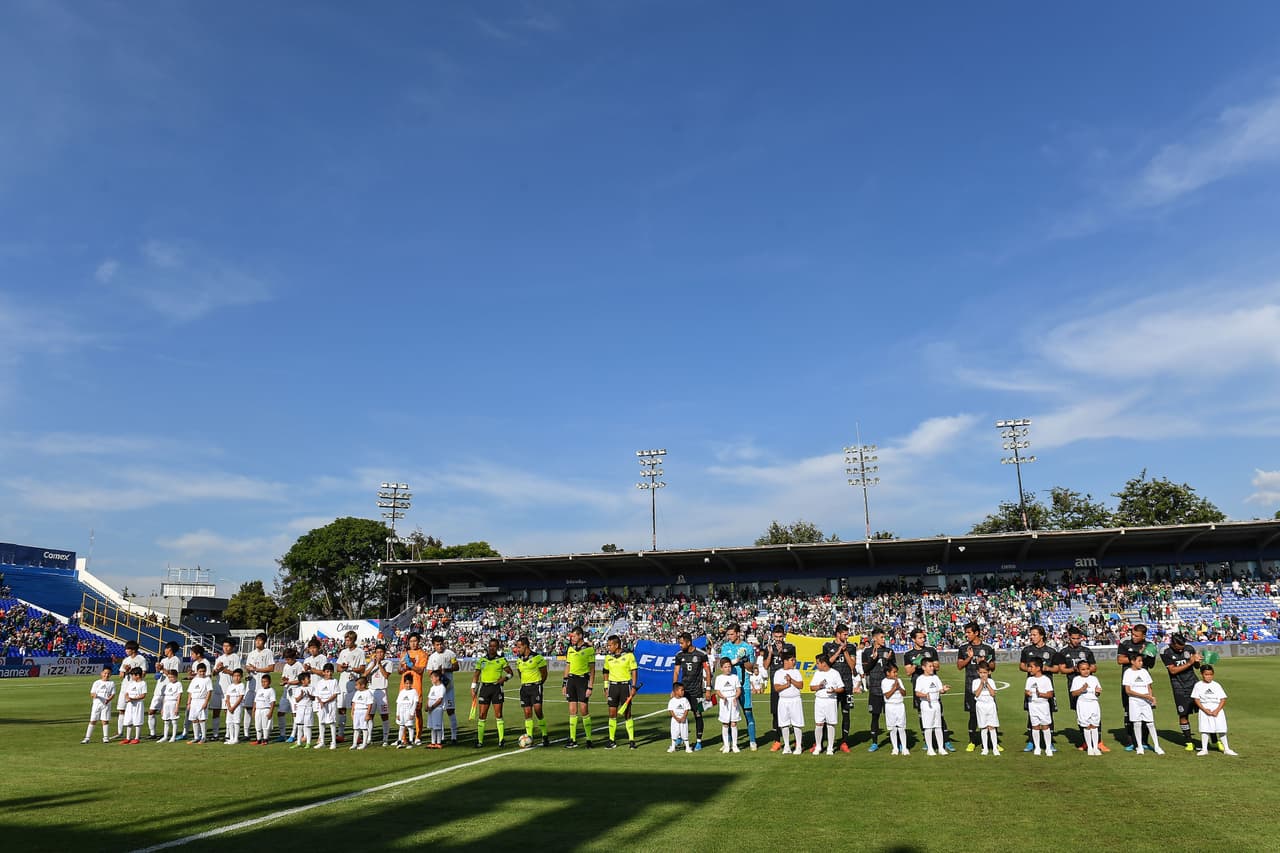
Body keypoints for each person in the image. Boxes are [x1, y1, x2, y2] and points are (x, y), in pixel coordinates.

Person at [903, 627, 952, 752]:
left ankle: (945, 741)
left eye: (923, 637)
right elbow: (908, 672)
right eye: (920, 637)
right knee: (921, 714)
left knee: (939, 713)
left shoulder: (931, 650)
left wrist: (927, 663)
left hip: (932, 685)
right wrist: (916, 663)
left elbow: (937, 666)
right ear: (913, 639)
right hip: (919, 685)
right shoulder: (908, 655)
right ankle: (927, 740)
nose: (923, 639)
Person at [1056, 626, 1102, 752]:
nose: (1076, 641)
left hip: (1090, 686)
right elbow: (1062, 669)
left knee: (1095, 713)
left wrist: (1085, 670)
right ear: (1068, 638)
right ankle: (1085, 741)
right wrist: (1074, 670)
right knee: (1080, 713)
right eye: (1073, 638)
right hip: (1073, 684)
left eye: (1078, 638)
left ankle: (1099, 742)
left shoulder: (1086, 651)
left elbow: (1094, 667)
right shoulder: (1063, 652)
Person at [1116, 623, 1156, 751]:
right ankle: (1130, 742)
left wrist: (1145, 655)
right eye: (1132, 634)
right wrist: (1137, 655)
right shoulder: (1125, 643)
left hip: (1143, 684)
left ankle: (1144, 741)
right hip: (1128, 683)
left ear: (1144, 635)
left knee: (1146, 714)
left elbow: (1151, 664)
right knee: (1128, 712)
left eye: (1136, 635)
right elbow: (1120, 660)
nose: (1133, 637)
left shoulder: (1150, 646)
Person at [1160, 633, 1203, 752]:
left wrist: (1197, 660)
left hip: (1194, 684)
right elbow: (1173, 670)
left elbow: (1197, 667)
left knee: (1205, 711)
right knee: (1183, 714)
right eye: (1179, 647)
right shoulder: (1165, 651)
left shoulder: (1189, 648)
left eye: (1182, 647)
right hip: (1178, 686)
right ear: (1173, 644)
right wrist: (1189, 662)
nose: (1181, 649)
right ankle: (1189, 741)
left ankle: (1213, 740)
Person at [718, 624, 759, 750]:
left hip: (744, 685)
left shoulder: (747, 647)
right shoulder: (725, 647)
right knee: (728, 717)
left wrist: (745, 660)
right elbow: (724, 663)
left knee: (748, 713)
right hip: (729, 688)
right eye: (728, 634)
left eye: (731, 634)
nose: (729, 636)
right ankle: (728, 743)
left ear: (737, 633)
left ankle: (752, 741)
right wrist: (737, 659)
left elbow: (752, 668)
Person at [957, 621, 996, 752]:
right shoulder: (963, 648)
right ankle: (972, 741)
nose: (966, 635)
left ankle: (992, 743)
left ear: (976, 633)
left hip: (986, 686)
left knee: (990, 714)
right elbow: (959, 666)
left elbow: (993, 667)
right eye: (966, 632)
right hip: (971, 685)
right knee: (973, 714)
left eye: (969, 632)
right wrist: (970, 658)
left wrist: (984, 662)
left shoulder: (988, 648)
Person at [821, 624, 860, 753]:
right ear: (838, 634)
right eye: (845, 634)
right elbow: (827, 663)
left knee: (846, 713)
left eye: (847, 634)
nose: (846, 636)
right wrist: (838, 651)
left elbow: (852, 666)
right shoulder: (827, 646)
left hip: (847, 685)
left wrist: (845, 651)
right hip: (832, 686)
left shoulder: (851, 647)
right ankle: (822, 742)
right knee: (827, 715)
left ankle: (844, 742)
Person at [1019, 626, 1058, 754]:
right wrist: (1031, 670)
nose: (1032, 637)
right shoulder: (1027, 650)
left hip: (1046, 685)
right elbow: (1022, 666)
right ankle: (1032, 742)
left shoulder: (1051, 651)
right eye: (1031, 634)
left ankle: (1049, 742)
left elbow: (1057, 669)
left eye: (1034, 634)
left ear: (1041, 636)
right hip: (1032, 684)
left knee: (1049, 713)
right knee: (1031, 713)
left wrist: (1046, 669)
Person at [471, 638, 513, 748]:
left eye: (494, 646)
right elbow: (476, 674)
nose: (492, 648)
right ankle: (480, 741)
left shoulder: (501, 660)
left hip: (496, 688)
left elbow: (510, 673)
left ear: (497, 647)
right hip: (484, 688)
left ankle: (501, 740)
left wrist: (504, 679)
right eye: (490, 646)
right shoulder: (482, 660)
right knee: (482, 715)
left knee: (498, 714)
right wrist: (473, 687)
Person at [673, 631, 711, 751]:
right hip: (683, 691)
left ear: (689, 642)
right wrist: (674, 688)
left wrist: (708, 689)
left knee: (698, 714)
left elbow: (708, 672)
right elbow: (676, 671)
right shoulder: (679, 655)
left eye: (682, 643)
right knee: (679, 713)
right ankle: (679, 736)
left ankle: (699, 741)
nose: (680, 645)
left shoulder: (701, 654)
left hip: (697, 691)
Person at [860, 627, 896, 752]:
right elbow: (865, 670)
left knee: (891, 715)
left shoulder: (889, 651)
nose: (884, 639)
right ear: (874, 638)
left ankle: (896, 742)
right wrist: (873, 659)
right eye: (881, 637)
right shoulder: (866, 652)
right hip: (875, 688)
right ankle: (874, 742)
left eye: (884, 637)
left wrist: (889, 660)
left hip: (889, 688)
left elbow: (894, 669)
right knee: (875, 716)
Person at [1121, 650, 1163, 755]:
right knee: (1137, 723)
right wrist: (1144, 696)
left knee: (1150, 723)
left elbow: (1149, 687)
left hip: (1146, 701)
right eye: (1139, 661)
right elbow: (1128, 690)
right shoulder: (1128, 673)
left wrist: (1151, 698)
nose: (1141, 663)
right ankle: (1139, 747)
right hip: (1134, 701)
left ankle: (1157, 746)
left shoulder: (1144, 672)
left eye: (1142, 661)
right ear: (1132, 661)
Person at [762, 625, 797, 752]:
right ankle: (777, 741)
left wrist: (782, 653)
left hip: (788, 684)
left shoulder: (790, 647)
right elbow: (765, 666)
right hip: (776, 686)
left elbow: (793, 664)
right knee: (776, 714)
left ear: (784, 636)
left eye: (780, 636)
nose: (778, 639)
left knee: (791, 713)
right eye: (776, 636)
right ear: (772, 636)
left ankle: (796, 741)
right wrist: (770, 653)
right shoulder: (768, 648)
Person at [1190, 665, 1236, 756]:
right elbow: (1196, 699)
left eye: (1211, 674)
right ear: (1202, 674)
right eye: (1206, 674)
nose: (1209, 677)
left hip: (1217, 708)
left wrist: (1217, 710)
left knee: (1221, 729)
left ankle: (1226, 748)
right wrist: (1204, 709)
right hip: (1204, 709)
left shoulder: (1216, 685)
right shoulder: (1198, 685)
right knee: (1205, 729)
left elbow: (1223, 699)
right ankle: (1204, 749)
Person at [603, 635, 639, 750]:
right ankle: (611, 740)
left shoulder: (629, 655)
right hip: (613, 687)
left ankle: (632, 740)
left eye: (610, 645)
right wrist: (605, 687)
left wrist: (633, 686)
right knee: (612, 714)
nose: (608, 647)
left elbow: (634, 671)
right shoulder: (608, 657)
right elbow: (605, 672)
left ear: (616, 645)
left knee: (627, 714)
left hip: (625, 687)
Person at [513, 636, 550, 747]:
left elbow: (544, 673)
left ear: (525, 646)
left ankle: (544, 735)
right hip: (524, 688)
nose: (517, 649)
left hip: (535, 687)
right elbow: (520, 673)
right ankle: (529, 736)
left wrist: (538, 684)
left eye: (519, 647)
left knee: (538, 711)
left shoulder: (537, 658)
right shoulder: (519, 660)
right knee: (527, 713)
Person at [427, 635, 461, 744]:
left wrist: (446, 670)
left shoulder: (450, 653)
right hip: (437, 690)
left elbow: (456, 666)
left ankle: (454, 736)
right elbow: (429, 672)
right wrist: (436, 672)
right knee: (438, 712)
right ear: (434, 645)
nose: (440, 646)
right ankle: (440, 738)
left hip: (448, 688)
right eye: (437, 644)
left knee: (451, 711)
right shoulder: (432, 657)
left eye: (441, 644)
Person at [808, 653, 844, 756]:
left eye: (818, 663)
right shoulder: (817, 673)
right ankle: (818, 746)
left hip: (831, 701)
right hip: (819, 701)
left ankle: (830, 747)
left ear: (824, 663)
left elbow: (841, 688)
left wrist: (834, 690)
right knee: (819, 724)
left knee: (830, 724)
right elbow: (811, 687)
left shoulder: (835, 673)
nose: (817, 665)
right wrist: (819, 686)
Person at [914, 658, 950, 756]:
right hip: (926, 705)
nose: (932, 668)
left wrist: (944, 689)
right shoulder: (920, 679)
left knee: (938, 726)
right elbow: (917, 692)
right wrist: (925, 696)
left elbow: (940, 690)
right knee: (928, 727)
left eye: (932, 666)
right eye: (930, 666)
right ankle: (930, 748)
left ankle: (941, 748)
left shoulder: (935, 678)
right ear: (923, 667)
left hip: (936, 703)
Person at [335, 631, 367, 742]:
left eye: (348, 640)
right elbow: (338, 669)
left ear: (354, 640)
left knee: (355, 710)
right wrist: (344, 668)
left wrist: (351, 669)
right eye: (346, 640)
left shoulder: (360, 652)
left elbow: (363, 669)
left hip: (354, 684)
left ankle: (358, 735)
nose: (346, 642)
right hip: (342, 684)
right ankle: (341, 734)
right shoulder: (343, 652)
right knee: (341, 709)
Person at [148, 641, 182, 740]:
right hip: (159, 688)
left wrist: (163, 669)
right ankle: (153, 733)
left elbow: (173, 675)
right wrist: (158, 669)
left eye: (166, 648)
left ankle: (169, 734)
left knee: (168, 715)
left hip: (169, 691)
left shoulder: (176, 660)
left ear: (170, 649)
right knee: (151, 711)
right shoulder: (163, 659)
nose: (164, 651)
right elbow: (157, 676)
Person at [400, 633, 430, 745]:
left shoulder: (423, 654)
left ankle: (418, 737)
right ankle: (403, 738)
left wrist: (410, 664)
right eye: (411, 641)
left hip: (416, 686)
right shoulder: (404, 653)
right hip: (404, 686)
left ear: (419, 641)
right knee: (403, 711)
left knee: (417, 711)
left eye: (415, 641)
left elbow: (420, 670)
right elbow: (399, 671)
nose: (413, 643)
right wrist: (402, 666)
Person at [773, 652, 805, 755]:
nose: (794, 662)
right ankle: (786, 746)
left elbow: (800, 685)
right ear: (785, 661)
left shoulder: (796, 672)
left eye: (794, 660)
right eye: (792, 660)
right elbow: (776, 687)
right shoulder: (778, 673)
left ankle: (798, 746)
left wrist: (791, 681)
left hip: (795, 700)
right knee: (784, 723)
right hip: (783, 700)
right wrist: (786, 686)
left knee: (797, 723)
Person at [1069, 660, 1103, 756]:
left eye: (1087, 669)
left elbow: (1097, 692)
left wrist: (1097, 691)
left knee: (1095, 725)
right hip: (1083, 704)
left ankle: (1096, 747)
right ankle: (1089, 747)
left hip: (1094, 703)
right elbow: (1073, 693)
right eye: (1083, 669)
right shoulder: (1076, 679)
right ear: (1079, 670)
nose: (1086, 671)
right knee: (1087, 726)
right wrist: (1081, 689)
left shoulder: (1094, 678)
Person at [211, 639, 242, 743]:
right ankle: (215, 734)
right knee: (216, 711)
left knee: (227, 712)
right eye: (224, 646)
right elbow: (214, 673)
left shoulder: (235, 657)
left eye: (228, 646)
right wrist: (216, 670)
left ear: (232, 647)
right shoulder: (220, 658)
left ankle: (228, 734)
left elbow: (237, 673)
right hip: (218, 687)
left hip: (229, 688)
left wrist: (225, 670)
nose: (225, 648)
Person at [116, 640, 147, 740]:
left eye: (128, 649)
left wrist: (131, 670)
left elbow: (143, 674)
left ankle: (135, 734)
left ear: (133, 650)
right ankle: (120, 732)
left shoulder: (141, 659)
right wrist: (126, 670)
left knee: (135, 710)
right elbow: (121, 675)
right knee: (121, 709)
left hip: (136, 688)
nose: (126, 651)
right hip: (125, 687)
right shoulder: (126, 660)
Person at [1024, 658, 1054, 756]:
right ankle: (1037, 747)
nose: (1029, 669)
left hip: (1043, 705)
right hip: (1032, 705)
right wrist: (1027, 693)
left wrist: (1041, 694)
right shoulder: (1029, 679)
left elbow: (1050, 694)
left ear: (1038, 668)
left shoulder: (1046, 679)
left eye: (1031, 667)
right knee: (1035, 726)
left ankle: (1048, 747)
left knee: (1045, 726)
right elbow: (1026, 691)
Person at [711, 656, 742, 753]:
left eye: (729, 666)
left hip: (733, 702)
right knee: (725, 724)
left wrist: (736, 697)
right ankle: (726, 745)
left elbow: (738, 690)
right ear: (721, 668)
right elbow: (718, 691)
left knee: (733, 723)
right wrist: (722, 697)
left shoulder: (735, 677)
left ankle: (735, 745)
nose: (728, 668)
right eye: (725, 667)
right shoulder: (719, 678)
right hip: (724, 703)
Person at [365, 645, 392, 746]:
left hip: (382, 691)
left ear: (384, 653)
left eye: (381, 652)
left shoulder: (388, 663)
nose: (379, 654)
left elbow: (386, 675)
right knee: (370, 715)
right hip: (371, 691)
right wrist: (373, 665)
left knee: (384, 715)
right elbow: (365, 675)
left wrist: (379, 664)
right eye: (377, 652)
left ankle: (385, 738)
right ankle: (369, 737)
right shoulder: (371, 663)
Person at [881, 661, 909, 756]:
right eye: (894, 672)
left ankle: (904, 748)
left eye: (896, 672)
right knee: (892, 728)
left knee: (901, 727)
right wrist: (894, 688)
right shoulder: (884, 682)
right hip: (890, 706)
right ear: (888, 673)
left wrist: (899, 687)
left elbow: (904, 693)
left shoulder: (899, 680)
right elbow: (887, 695)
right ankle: (895, 748)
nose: (896, 674)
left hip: (900, 705)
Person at [972, 661, 1000, 756]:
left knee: (992, 727)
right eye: (981, 673)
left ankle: (995, 747)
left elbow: (993, 693)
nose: (983, 675)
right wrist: (981, 684)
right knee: (983, 727)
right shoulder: (975, 682)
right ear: (978, 672)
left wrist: (987, 684)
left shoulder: (991, 681)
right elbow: (976, 694)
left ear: (989, 672)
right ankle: (985, 748)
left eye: (985, 672)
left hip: (990, 705)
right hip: (980, 705)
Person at [84, 665, 115, 744]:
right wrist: (94, 695)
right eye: (105, 673)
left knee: (105, 720)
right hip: (97, 704)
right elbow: (92, 693)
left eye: (108, 673)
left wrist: (108, 699)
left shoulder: (111, 683)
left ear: (110, 674)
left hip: (106, 704)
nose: (106, 675)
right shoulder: (97, 682)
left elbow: (113, 694)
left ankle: (105, 737)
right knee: (93, 720)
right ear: (102, 673)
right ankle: (87, 738)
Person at [313, 663, 340, 750]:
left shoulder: (334, 681)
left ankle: (333, 742)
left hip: (331, 704)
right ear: (323, 672)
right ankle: (322, 742)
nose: (329, 673)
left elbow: (335, 694)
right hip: (321, 705)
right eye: (327, 672)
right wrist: (321, 701)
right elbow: (316, 694)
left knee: (332, 723)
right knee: (321, 722)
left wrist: (326, 701)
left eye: (331, 672)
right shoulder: (320, 682)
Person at [278, 648, 303, 743]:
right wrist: (284, 680)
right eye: (286, 659)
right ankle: (282, 734)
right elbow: (284, 677)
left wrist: (289, 682)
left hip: (295, 691)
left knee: (295, 714)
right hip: (286, 691)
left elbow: (301, 680)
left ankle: (293, 735)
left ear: (293, 657)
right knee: (280, 712)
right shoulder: (286, 666)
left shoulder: (298, 665)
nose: (287, 661)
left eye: (288, 659)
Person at [186, 662, 213, 745]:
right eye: (200, 671)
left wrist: (206, 702)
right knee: (194, 719)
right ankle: (196, 737)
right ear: (197, 671)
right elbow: (190, 692)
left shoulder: (207, 679)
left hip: (202, 700)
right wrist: (188, 703)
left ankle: (203, 737)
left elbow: (209, 691)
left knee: (202, 719)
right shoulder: (194, 680)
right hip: (194, 701)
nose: (202, 673)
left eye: (203, 671)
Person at [155, 668, 184, 743]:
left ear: (176, 677)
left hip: (173, 703)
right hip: (166, 703)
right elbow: (165, 696)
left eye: (172, 677)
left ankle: (173, 736)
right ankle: (165, 736)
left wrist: (177, 707)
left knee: (174, 720)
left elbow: (179, 696)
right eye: (169, 677)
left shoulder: (178, 684)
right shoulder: (168, 685)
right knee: (166, 721)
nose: (170, 679)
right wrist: (162, 708)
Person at [121, 667, 147, 744]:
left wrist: (134, 699)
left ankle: (136, 738)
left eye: (133, 675)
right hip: (130, 704)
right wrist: (127, 698)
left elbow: (143, 695)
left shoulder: (143, 683)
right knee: (128, 720)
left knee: (137, 720)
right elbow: (126, 693)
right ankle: (127, 738)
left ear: (138, 675)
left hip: (138, 704)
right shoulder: (131, 683)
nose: (132, 677)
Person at [289, 671, 314, 749]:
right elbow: (296, 700)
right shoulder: (298, 689)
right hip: (300, 709)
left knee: (308, 726)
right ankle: (299, 742)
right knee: (299, 726)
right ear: (302, 680)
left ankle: (308, 743)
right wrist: (301, 695)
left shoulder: (312, 688)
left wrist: (309, 695)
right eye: (308, 678)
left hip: (308, 708)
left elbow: (314, 698)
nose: (309, 680)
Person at [396, 672, 420, 749]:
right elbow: (398, 703)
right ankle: (400, 741)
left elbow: (415, 703)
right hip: (402, 711)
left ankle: (410, 741)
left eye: (410, 683)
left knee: (409, 726)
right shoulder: (402, 692)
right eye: (406, 683)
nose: (408, 685)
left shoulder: (414, 692)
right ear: (404, 683)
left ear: (412, 683)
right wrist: (398, 714)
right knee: (401, 726)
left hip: (409, 711)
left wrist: (412, 713)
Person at [223, 669, 247, 746]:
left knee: (236, 722)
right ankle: (231, 738)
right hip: (230, 706)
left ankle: (236, 738)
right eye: (235, 676)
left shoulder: (241, 685)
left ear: (241, 677)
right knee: (230, 722)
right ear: (232, 677)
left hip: (237, 706)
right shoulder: (230, 686)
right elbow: (227, 697)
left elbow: (240, 697)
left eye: (238, 676)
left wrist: (233, 707)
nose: (236, 678)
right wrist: (229, 706)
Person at [667, 682, 693, 753]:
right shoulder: (672, 701)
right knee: (674, 733)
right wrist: (676, 718)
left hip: (683, 720)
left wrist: (684, 717)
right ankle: (673, 747)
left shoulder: (685, 700)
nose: (683, 692)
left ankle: (687, 747)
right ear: (675, 691)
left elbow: (687, 709)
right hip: (675, 720)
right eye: (681, 690)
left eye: (683, 690)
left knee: (684, 733)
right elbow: (671, 710)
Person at [349, 676, 373, 750]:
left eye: (357, 685)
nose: (356, 686)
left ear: (362, 685)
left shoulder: (368, 693)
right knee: (356, 728)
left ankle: (364, 744)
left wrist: (367, 714)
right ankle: (354, 744)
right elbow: (354, 702)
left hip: (363, 711)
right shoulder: (357, 693)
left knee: (364, 728)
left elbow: (369, 704)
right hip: (357, 711)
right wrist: (352, 711)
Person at [425, 669, 447, 748]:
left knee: (437, 726)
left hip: (437, 709)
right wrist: (427, 706)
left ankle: (439, 742)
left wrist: (433, 707)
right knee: (432, 727)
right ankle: (433, 742)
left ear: (437, 678)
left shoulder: (442, 687)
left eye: (432, 677)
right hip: (431, 710)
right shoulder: (432, 687)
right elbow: (429, 697)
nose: (431, 679)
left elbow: (440, 699)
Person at [253, 673, 277, 745]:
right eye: (262, 682)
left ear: (269, 682)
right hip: (258, 710)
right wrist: (254, 709)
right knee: (258, 725)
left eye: (265, 681)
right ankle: (258, 739)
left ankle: (265, 739)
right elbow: (255, 701)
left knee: (265, 726)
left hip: (266, 709)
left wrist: (271, 712)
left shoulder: (271, 690)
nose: (263, 683)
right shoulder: (259, 690)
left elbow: (273, 702)